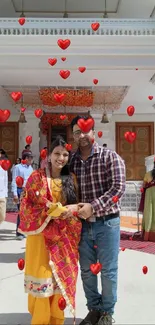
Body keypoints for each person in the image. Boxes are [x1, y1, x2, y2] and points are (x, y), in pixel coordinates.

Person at [18, 136, 82, 325]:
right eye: (57, 153)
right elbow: (26, 205)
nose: (61, 158)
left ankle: (56, 319)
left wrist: (67, 212)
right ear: (48, 155)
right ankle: (40, 320)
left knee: (58, 279)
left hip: (63, 239)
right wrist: (49, 210)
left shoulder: (71, 179)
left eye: (64, 154)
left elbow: (75, 208)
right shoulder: (36, 177)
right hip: (40, 238)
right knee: (42, 278)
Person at [70, 115, 126, 325]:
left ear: (93, 131)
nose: (81, 135)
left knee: (108, 271)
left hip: (107, 224)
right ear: (73, 135)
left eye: (85, 130)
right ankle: (93, 309)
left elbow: (118, 189)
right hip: (83, 227)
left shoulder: (110, 157)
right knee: (87, 270)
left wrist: (93, 206)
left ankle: (107, 314)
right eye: (77, 132)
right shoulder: (72, 161)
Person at [11, 152, 33, 240]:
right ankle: (19, 232)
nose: (31, 160)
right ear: (26, 158)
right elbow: (14, 180)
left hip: (28, 191)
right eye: (30, 158)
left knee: (27, 211)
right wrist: (15, 194)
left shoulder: (30, 168)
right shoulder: (17, 167)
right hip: (20, 190)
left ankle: (25, 230)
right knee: (21, 211)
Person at [139, 160, 155, 242]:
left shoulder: (148, 174)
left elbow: (144, 185)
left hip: (149, 195)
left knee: (149, 213)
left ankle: (148, 235)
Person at [0, 156, 8, 224]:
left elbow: (6, 181)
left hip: (2, 195)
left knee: (3, 216)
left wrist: (6, 194)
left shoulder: (4, 169)